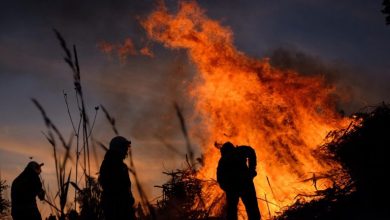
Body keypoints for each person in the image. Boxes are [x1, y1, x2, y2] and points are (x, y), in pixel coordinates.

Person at [217, 142, 261, 220]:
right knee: (252, 209)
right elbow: (251, 151)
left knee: (232, 211)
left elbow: (220, 179)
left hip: (235, 187)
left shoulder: (223, 160)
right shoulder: (239, 151)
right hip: (245, 184)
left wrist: (227, 188)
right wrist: (252, 169)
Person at [99, 136, 136, 220]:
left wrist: (130, 199)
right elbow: (112, 187)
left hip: (122, 207)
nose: (126, 151)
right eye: (124, 148)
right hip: (116, 209)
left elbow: (126, 186)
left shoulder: (122, 166)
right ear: (118, 148)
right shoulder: (110, 164)